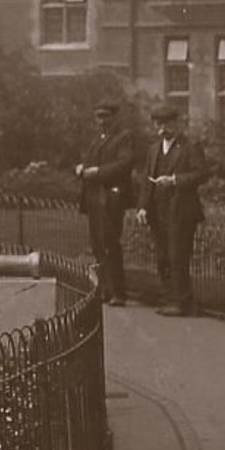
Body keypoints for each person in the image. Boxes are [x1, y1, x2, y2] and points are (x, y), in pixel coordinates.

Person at [135, 104, 211, 317]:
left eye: (166, 124)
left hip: (181, 211)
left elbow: (202, 174)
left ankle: (181, 301)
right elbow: (146, 181)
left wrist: (175, 180)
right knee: (162, 258)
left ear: (177, 123)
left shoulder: (190, 146)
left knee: (178, 257)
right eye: (158, 125)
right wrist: (142, 207)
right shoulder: (153, 149)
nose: (162, 130)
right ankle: (169, 297)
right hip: (158, 213)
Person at [75, 100, 135, 305]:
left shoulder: (123, 138)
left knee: (110, 243)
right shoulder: (97, 140)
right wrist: (82, 167)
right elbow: (92, 163)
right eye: (98, 117)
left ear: (114, 117)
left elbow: (125, 164)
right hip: (94, 198)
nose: (102, 121)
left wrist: (98, 172)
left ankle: (118, 292)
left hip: (111, 197)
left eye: (105, 116)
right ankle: (104, 290)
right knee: (98, 245)